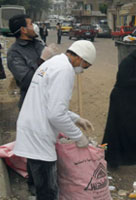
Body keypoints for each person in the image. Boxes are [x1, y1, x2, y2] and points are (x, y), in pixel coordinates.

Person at [13, 40, 96, 199]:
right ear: (79, 58)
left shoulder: (54, 62)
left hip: (31, 125)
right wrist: (78, 136)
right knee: (48, 190)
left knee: (39, 182)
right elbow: (56, 114)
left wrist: (76, 119)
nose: (83, 70)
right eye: (86, 66)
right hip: (38, 132)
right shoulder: (65, 70)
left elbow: (48, 102)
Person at [102, 45, 136, 169]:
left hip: (133, 99)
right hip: (121, 100)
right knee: (118, 128)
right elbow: (123, 82)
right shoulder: (128, 63)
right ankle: (112, 158)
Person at [7, 14, 44, 108]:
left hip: (47, 98)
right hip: (31, 104)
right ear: (23, 30)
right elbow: (27, 81)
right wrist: (42, 60)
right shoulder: (14, 53)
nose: (35, 27)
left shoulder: (38, 44)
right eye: (31, 24)